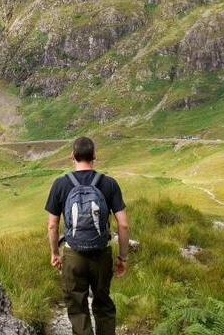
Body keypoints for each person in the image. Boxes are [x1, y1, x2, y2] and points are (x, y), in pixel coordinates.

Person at [45, 136, 130, 335]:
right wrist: (122, 258)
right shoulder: (109, 184)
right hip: (101, 255)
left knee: (77, 306)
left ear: (72, 156)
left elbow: (52, 225)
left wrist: (55, 253)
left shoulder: (60, 184)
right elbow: (124, 225)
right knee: (103, 305)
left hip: (73, 256)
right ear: (94, 157)